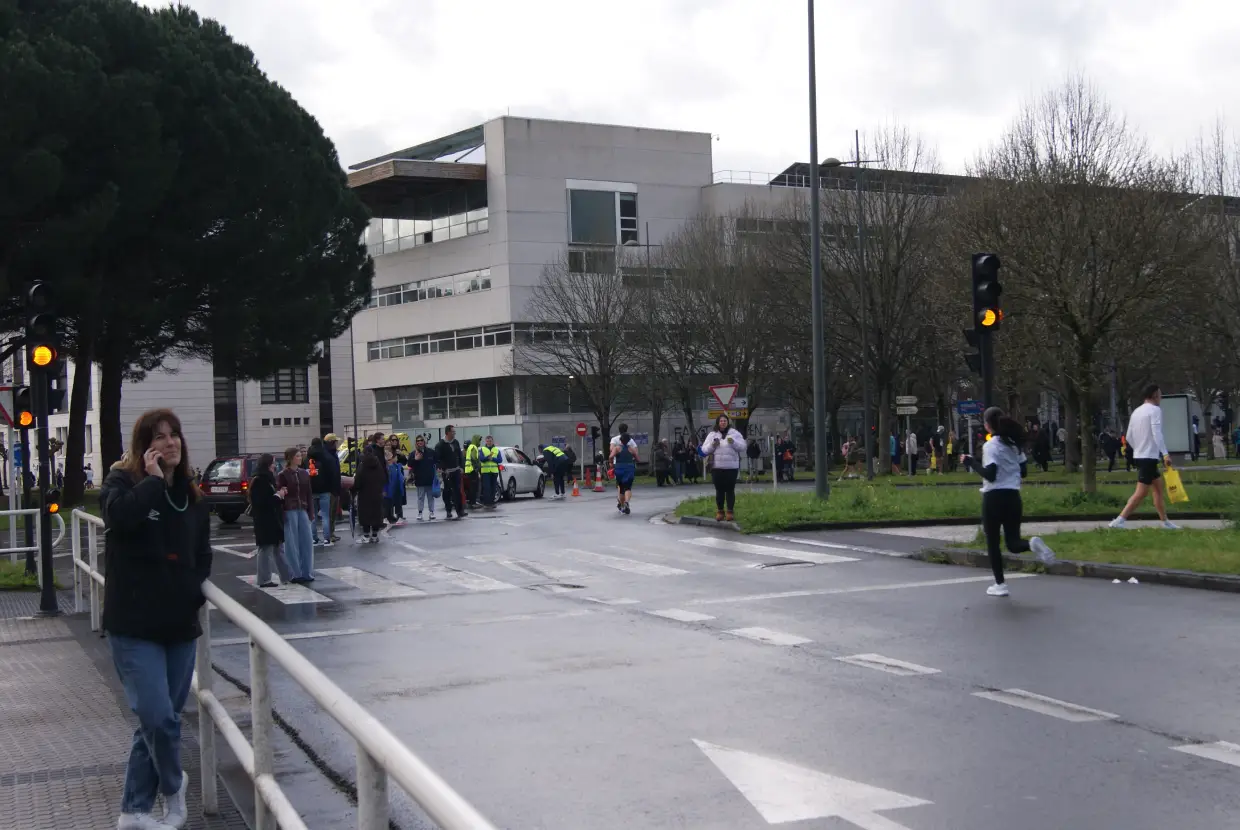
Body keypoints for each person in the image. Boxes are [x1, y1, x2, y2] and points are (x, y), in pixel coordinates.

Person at [101, 409, 212, 830]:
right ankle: (173, 784)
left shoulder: (192, 496)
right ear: (144, 445)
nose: (170, 443)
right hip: (132, 624)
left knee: (159, 719)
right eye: (159, 437)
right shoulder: (122, 484)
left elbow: (202, 554)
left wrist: (191, 588)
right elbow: (120, 519)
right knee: (157, 717)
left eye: (175, 436)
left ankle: (134, 810)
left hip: (178, 625)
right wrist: (151, 481)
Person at [960, 406, 1056, 597]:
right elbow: (1024, 471)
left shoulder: (991, 446)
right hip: (1013, 496)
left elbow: (991, 475)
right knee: (1013, 542)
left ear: (987, 426)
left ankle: (1000, 584)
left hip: (994, 497)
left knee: (993, 542)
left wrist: (971, 462)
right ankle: (1032, 544)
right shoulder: (1014, 444)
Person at [1110, 384, 1179, 530]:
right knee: (1141, 492)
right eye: (1160, 395)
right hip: (1149, 457)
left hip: (1141, 456)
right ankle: (1119, 520)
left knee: (1158, 488)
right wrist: (1165, 453)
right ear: (1154, 395)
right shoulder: (1155, 410)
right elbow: (1157, 433)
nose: (1161, 397)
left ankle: (1165, 522)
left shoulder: (1137, 411)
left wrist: (1138, 449)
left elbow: (1128, 436)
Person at [248, 454, 291, 587]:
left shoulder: (266, 479)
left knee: (278, 548)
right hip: (265, 520)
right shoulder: (260, 480)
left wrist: (279, 494)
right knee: (266, 549)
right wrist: (278, 496)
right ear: (267, 464)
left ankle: (287, 576)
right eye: (273, 463)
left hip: (272, 519)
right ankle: (264, 579)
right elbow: (263, 502)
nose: (275, 465)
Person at [276, 447, 315, 582]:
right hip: (289, 509)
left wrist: (311, 512)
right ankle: (295, 573)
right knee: (292, 543)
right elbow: (280, 494)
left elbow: (309, 493)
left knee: (307, 541)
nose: (300, 458)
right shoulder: (283, 474)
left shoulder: (304, 473)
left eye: (300, 456)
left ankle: (307, 572)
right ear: (291, 458)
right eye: (298, 456)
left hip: (302, 508)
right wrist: (282, 513)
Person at [701, 414, 746, 522]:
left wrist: (733, 442)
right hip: (717, 467)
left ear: (728, 422)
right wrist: (713, 444)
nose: (723, 422)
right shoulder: (712, 434)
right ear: (718, 423)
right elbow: (704, 450)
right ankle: (720, 511)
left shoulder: (734, 434)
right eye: (721, 421)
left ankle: (730, 511)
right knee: (719, 490)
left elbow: (743, 446)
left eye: (725, 421)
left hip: (731, 467)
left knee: (730, 490)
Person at [435, 425, 467, 520]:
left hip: (456, 470)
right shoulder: (440, 445)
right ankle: (448, 510)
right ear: (447, 432)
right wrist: (442, 469)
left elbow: (460, 455)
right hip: (447, 472)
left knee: (458, 491)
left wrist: (462, 467)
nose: (454, 433)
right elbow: (438, 459)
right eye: (453, 431)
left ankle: (460, 511)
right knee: (447, 491)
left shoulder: (456, 442)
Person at [354, 452, 387, 542]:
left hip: (364, 494)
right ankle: (375, 535)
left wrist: (355, 489)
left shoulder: (362, 465)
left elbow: (358, 480)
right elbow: (383, 477)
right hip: (377, 493)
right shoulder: (378, 464)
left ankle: (366, 535)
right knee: (376, 514)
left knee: (365, 514)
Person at [609, 429, 639, 514]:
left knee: (621, 488)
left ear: (620, 440)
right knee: (628, 487)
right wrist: (635, 460)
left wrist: (611, 463)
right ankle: (627, 502)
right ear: (629, 440)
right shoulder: (631, 449)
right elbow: (637, 458)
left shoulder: (617, 448)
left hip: (619, 469)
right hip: (629, 468)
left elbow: (611, 456)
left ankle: (622, 505)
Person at [409, 435, 438, 521]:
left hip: (430, 479)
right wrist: (415, 459)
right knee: (420, 497)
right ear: (416, 443)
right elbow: (409, 464)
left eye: (421, 440)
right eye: (418, 441)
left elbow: (437, 461)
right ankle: (420, 512)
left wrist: (438, 471)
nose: (420, 442)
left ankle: (431, 512)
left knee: (430, 497)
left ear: (424, 442)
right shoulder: (413, 453)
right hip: (419, 479)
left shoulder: (431, 452)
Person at [321, 433, 344, 543]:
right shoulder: (328, 455)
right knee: (330, 513)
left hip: (334, 488)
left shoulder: (331, 454)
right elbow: (331, 474)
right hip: (331, 489)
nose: (337, 444)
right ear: (331, 443)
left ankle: (331, 533)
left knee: (332, 513)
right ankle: (329, 534)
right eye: (335, 442)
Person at [383, 447, 407, 527]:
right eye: (395, 457)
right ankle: (385, 517)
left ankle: (399, 516)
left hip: (398, 488)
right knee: (387, 504)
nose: (397, 458)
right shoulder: (387, 467)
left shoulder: (397, 466)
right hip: (389, 488)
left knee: (398, 503)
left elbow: (400, 476)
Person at [479, 436, 502, 508]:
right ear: (485, 442)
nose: (489, 442)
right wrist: (487, 458)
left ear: (493, 441)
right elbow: (481, 459)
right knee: (487, 487)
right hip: (485, 472)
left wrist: (493, 459)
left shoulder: (496, 450)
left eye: (490, 441)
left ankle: (492, 502)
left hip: (494, 471)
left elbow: (500, 460)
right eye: (488, 441)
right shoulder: (482, 449)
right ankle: (487, 503)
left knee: (493, 487)